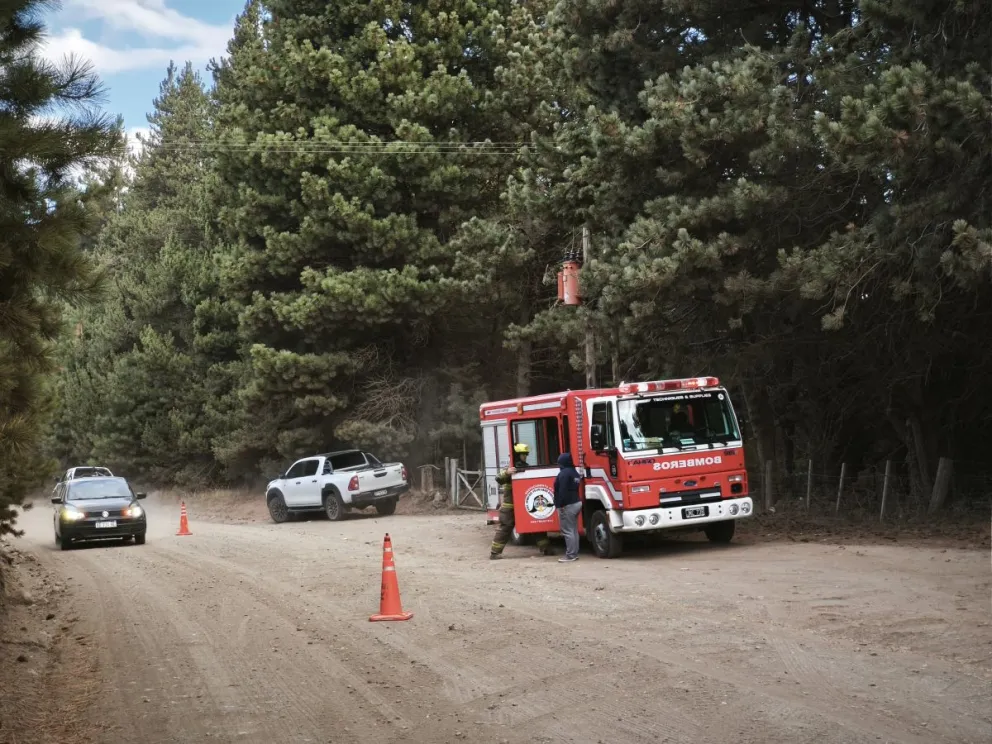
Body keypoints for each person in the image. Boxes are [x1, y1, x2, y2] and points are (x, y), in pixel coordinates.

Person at [489, 443, 553, 559]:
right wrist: (507, 472)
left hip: (525, 503)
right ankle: (495, 553)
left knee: (535, 523)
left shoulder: (526, 467)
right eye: (523, 454)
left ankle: (546, 549)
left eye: (526, 454)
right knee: (506, 528)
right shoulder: (510, 469)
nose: (525, 457)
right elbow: (498, 478)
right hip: (510, 505)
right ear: (517, 455)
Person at [553, 452, 583, 562]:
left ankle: (570, 555)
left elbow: (562, 491)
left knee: (567, 531)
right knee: (573, 530)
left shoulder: (564, 473)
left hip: (567, 505)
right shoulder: (574, 472)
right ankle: (574, 553)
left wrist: (560, 505)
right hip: (576, 503)